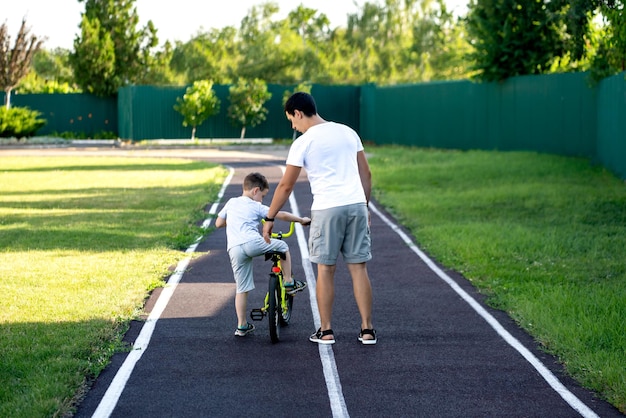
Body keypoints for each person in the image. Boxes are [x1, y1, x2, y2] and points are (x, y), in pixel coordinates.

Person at [262, 92, 376, 345]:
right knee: (358, 268)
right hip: (356, 205)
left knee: (326, 269)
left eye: (292, 120)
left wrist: (270, 217)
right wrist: (365, 206)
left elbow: (285, 187)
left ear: (298, 113)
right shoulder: (348, 132)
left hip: (327, 208)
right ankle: (367, 330)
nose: (293, 126)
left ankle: (326, 331)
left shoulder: (303, 142)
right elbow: (365, 173)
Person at [216, 172, 310, 337]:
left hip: (234, 248)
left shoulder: (231, 202)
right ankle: (288, 282)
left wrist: (234, 223)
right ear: (255, 191)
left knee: (242, 288)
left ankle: (242, 325)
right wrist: (301, 220)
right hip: (253, 243)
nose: (262, 199)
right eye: (263, 196)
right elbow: (280, 214)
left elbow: (218, 223)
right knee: (282, 246)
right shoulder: (256, 206)